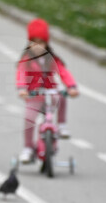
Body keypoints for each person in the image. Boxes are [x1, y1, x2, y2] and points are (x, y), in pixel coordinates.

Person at [16, 18, 79, 163]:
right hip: (34, 95)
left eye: (41, 42)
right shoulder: (27, 59)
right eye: (34, 42)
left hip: (50, 93)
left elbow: (63, 72)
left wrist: (72, 87)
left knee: (62, 97)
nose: (37, 46)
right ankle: (28, 148)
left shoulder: (52, 59)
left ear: (46, 43)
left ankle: (62, 125)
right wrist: (22, 89)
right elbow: (21, 74)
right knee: (29, 120)